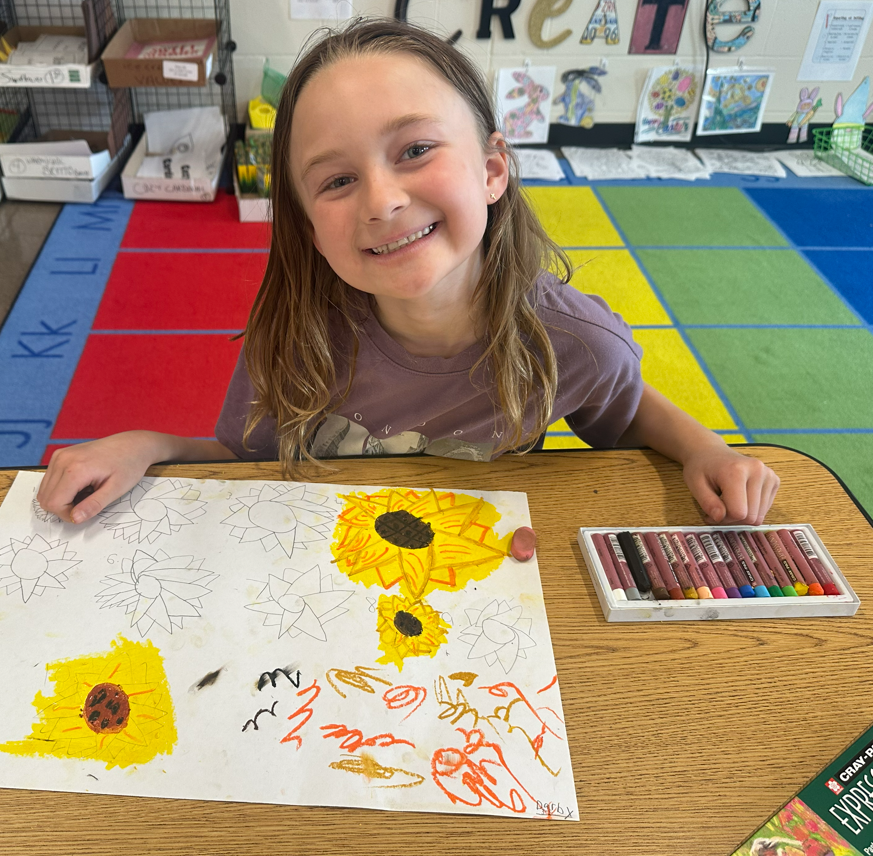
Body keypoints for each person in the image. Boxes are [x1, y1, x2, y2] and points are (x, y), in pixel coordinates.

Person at [37, 17, 779, 526]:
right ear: (306, 226)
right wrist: (151, 443)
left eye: (415, 150)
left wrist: (705, 448)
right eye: (334, 182)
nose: (383, 201)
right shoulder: (295, 334)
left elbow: (621, 411)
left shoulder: (576, 343)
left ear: (493, 169)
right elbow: (244, 462)